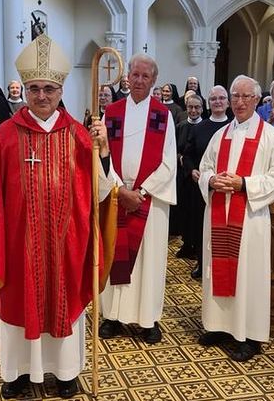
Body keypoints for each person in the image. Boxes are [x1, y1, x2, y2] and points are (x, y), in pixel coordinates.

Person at [0, 33, 113, 399]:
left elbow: (102, 191)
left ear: (61, 90)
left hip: (67, 244)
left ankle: (65, 373)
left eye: (48, 89)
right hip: (18, 245)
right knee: (17, 306)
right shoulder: (7, 135)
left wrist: (103, 150)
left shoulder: (79, 134)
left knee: (63, 303)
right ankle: (16, 373)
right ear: (24, 92)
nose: (41, 96)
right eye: (34, 89)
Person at [197, 75, 274, 361]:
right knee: (218, 269)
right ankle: (220, 326)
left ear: (257, 100)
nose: (239, 102)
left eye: (246, 97)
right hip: (218, 214)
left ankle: (249, 336)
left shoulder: (270, 136)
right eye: (235, 96)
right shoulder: (220, 135)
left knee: (248, 275)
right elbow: (205, 167)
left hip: (250, 218)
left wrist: (244, 185)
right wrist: (211, 181)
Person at [98, 53, 177, 345]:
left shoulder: (163, 115)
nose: (139, 80)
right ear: (127, 77)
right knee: (114, 251)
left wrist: (141, 193)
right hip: (119, 196)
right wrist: (120, 190)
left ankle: (148, 320)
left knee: (149, 261)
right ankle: (113, 317)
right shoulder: (113, 112)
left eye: (146, 76)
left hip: (150, 201)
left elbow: (169, 162)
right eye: (135, 75)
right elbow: (102, 155)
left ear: (154, 80)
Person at [182, 86, 232, 279]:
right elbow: (188, 155)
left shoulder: (233, 126)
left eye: (221, 98)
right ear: (208, 104)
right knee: (202, 227)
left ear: (227, 102)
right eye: (213, 99)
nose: (218, 102)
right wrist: (192, 169)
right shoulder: (199, 128)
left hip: (228, 187)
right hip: (203, 187)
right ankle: (202, 264)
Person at [175, 94, 204, 260]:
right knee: (184, 211)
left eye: (197, 107)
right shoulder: (181, 126)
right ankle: (186, 244)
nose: (193, 110)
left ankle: (196, 246)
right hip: (183, 176)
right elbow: (176, 149)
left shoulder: (205, 126)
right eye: (191, 107)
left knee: (196, 213)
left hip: (200, 176)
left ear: (202, 108)